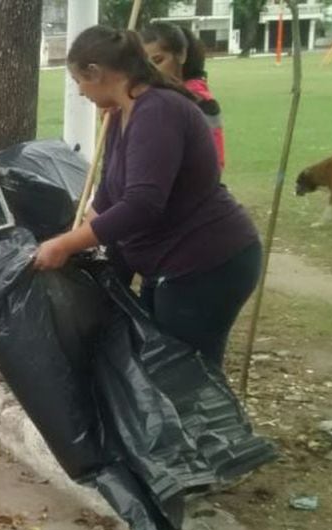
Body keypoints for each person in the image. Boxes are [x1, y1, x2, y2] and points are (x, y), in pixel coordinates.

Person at [34, 26, 261, 368]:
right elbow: (111, 191)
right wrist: (75, 232)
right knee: (163, 368)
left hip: (207, 262)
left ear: (96, 72)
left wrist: (66, 245)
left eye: (79, 80)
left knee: (189, 375)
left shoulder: (158, 111)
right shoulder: (120, 113)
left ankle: (208, 425)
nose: (80, 92)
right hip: (169, 264)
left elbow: (142, 205)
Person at [142, 23, 225, 170]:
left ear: (181, 55)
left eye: (158, 61)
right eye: (144, 65)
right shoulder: (148, 99)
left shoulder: (201, 102)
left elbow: (213, 163)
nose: (151, 72)